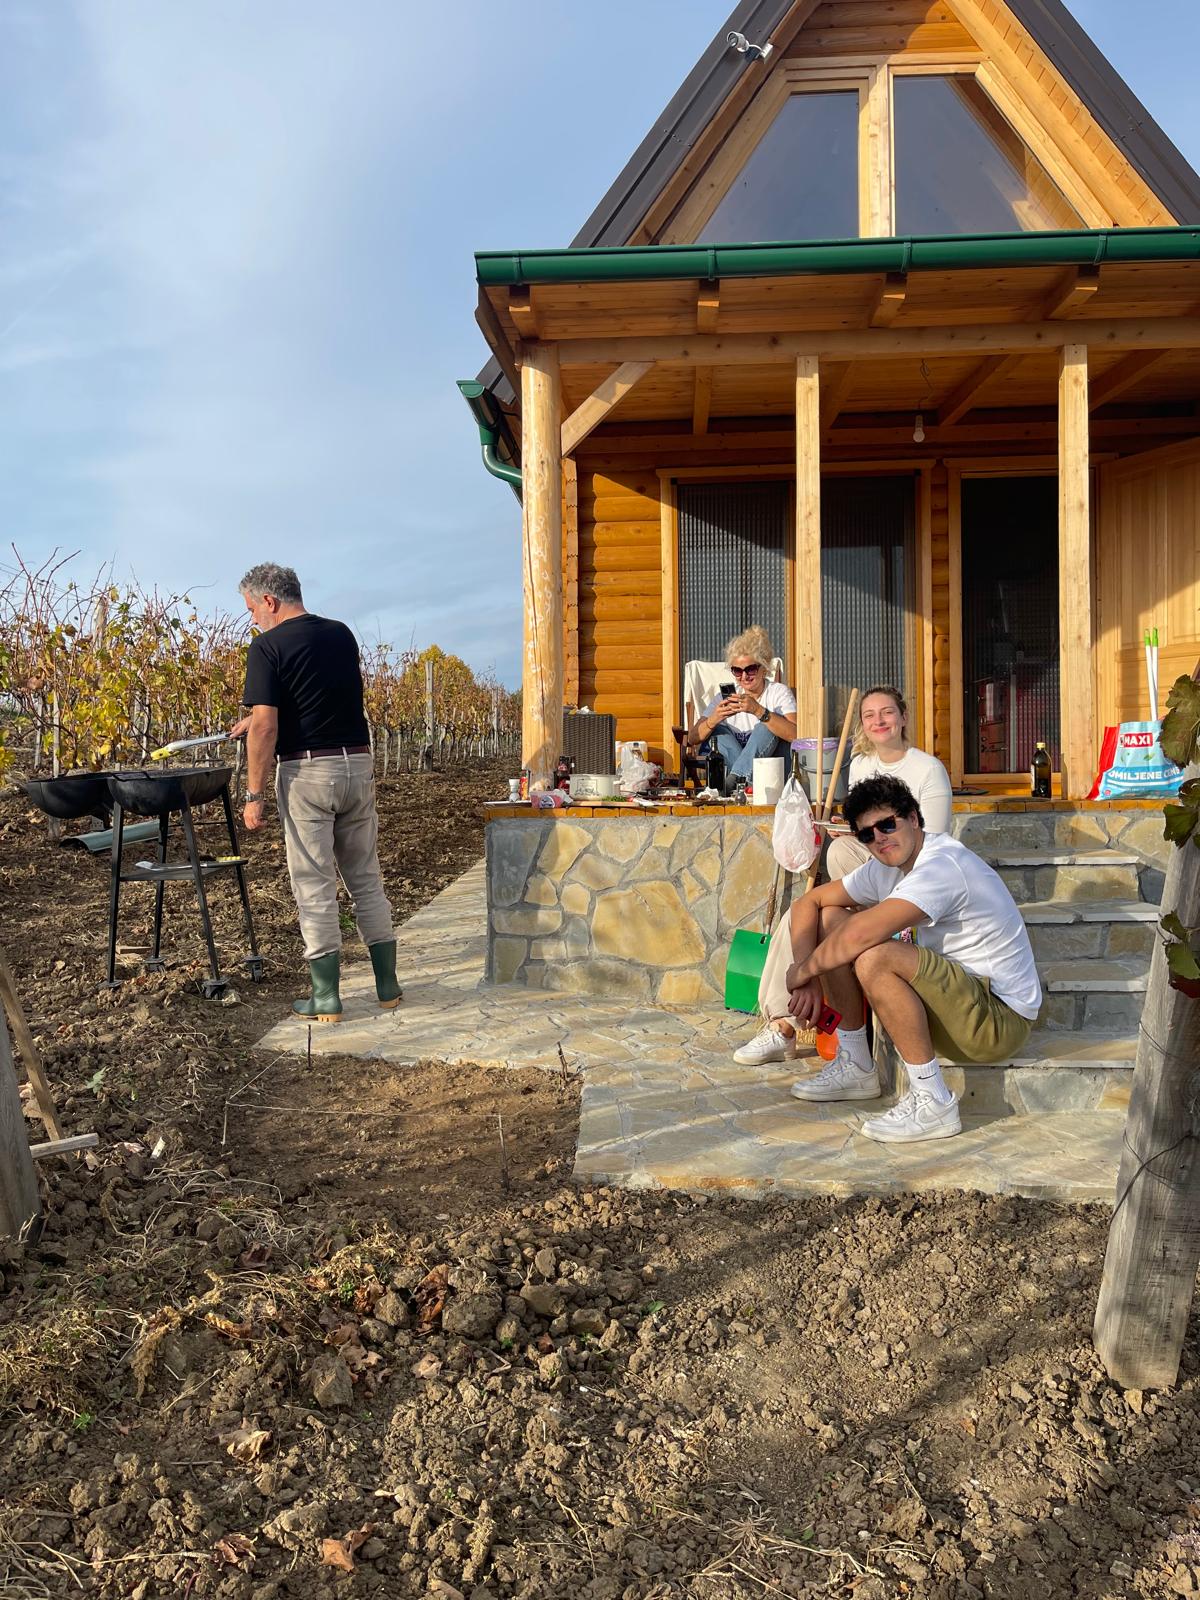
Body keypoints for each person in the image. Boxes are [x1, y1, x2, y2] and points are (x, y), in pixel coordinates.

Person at [784, 774, 1041, 1143]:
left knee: (873, 956)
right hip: (957, 1004)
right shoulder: (886, 867)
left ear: (914, 819)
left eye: (887, 824)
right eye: (867, 835)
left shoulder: (942, 865)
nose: (879, 839)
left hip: (997, 1020)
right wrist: (807, 976)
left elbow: (861, 935)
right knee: (832, 918)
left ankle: (933, 1100)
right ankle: (857, 1063)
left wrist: (800, 972)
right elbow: (808, 903)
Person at [734, 685, 952, 1066]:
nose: (879, 721)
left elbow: (928, 839)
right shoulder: (864, 765)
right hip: (874, 869)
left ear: (902, 717)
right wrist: (847, 828)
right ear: (863, 725)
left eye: (887, 713)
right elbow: (863, 830)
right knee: (801, 916)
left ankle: (790, 1024)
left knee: (832, 875)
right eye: (870, 716)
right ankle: (782, 1027)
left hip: (912, 876)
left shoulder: (927, 769)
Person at [230, 562, 402, 1023]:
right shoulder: (340, 633)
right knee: (365, 875)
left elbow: (267, 726)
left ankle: (326, 997)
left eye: (251, 609)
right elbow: (318, 695)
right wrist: (260, 719)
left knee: (314, 883)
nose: (251, 619)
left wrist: (253, 794)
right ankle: (388, 986)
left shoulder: (266, 647)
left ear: (269, 601)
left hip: (308, 773)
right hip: (356, 764)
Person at [687, 625, 797, 790]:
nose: (744, 676)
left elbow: (796, 735)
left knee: (766, 726)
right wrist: (713, 719)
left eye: (750, 669)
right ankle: (741, 780)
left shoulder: (778, 692)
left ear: (764, 668)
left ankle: (736, 780)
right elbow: (692, 738)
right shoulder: (725, 697)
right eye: (737, 671)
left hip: (772, 775)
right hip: (747, 779)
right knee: (717, 733)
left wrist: (759, 711)